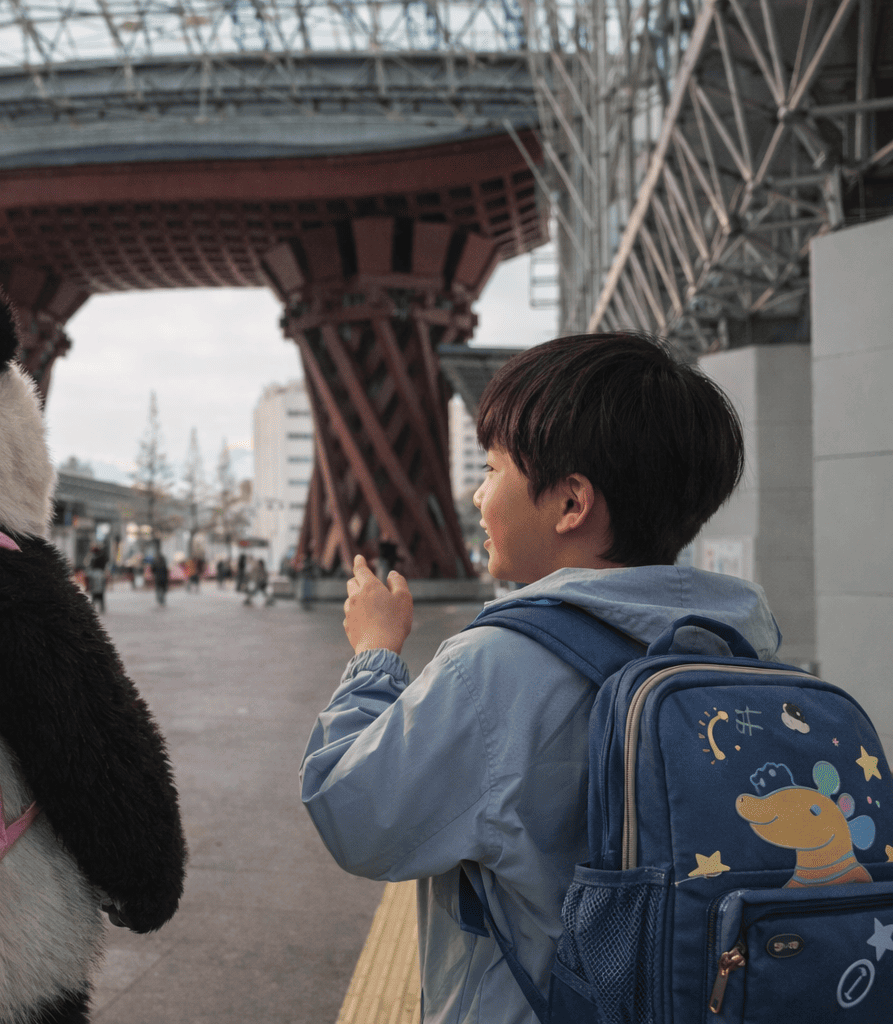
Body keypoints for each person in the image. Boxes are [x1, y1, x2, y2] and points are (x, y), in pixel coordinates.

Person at [300, 333, 772, 1024]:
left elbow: (356, 815)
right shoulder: (737, 646)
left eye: (493, 469)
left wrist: (375, 654)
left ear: (570, 503)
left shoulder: (499, 665)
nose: (476, 489)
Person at [85, 545, 109, 614]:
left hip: (95, 573)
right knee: (101, 592)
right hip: (100, 574)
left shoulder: (94, 557)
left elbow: (88, 564)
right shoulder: (102, 556)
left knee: (93, 590)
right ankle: (101, 606)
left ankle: (87, 588)